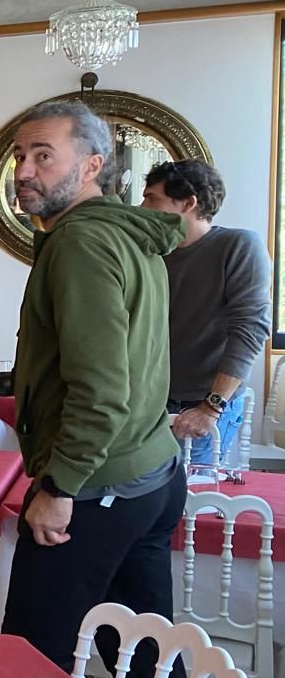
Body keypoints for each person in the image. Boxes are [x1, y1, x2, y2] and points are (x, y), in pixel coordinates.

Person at [0, 99, 187, 678]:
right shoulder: (122, 234)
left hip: (99, 483)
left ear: (92, 166)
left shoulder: (81, 242)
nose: (26, 170)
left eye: (43, 156)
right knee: (143, 655)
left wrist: (59, 487)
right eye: (20, 156)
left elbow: (102, 389)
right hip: (151, 472)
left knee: (28, 660)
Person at [140, 159, 269, 466]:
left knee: (189, 490)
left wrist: (211, 407)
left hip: (203, 403)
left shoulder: (238, 245)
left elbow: (250, 330)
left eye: (152, 198)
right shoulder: (151, 254)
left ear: (189, 203)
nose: (142, 207)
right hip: (150, 403)